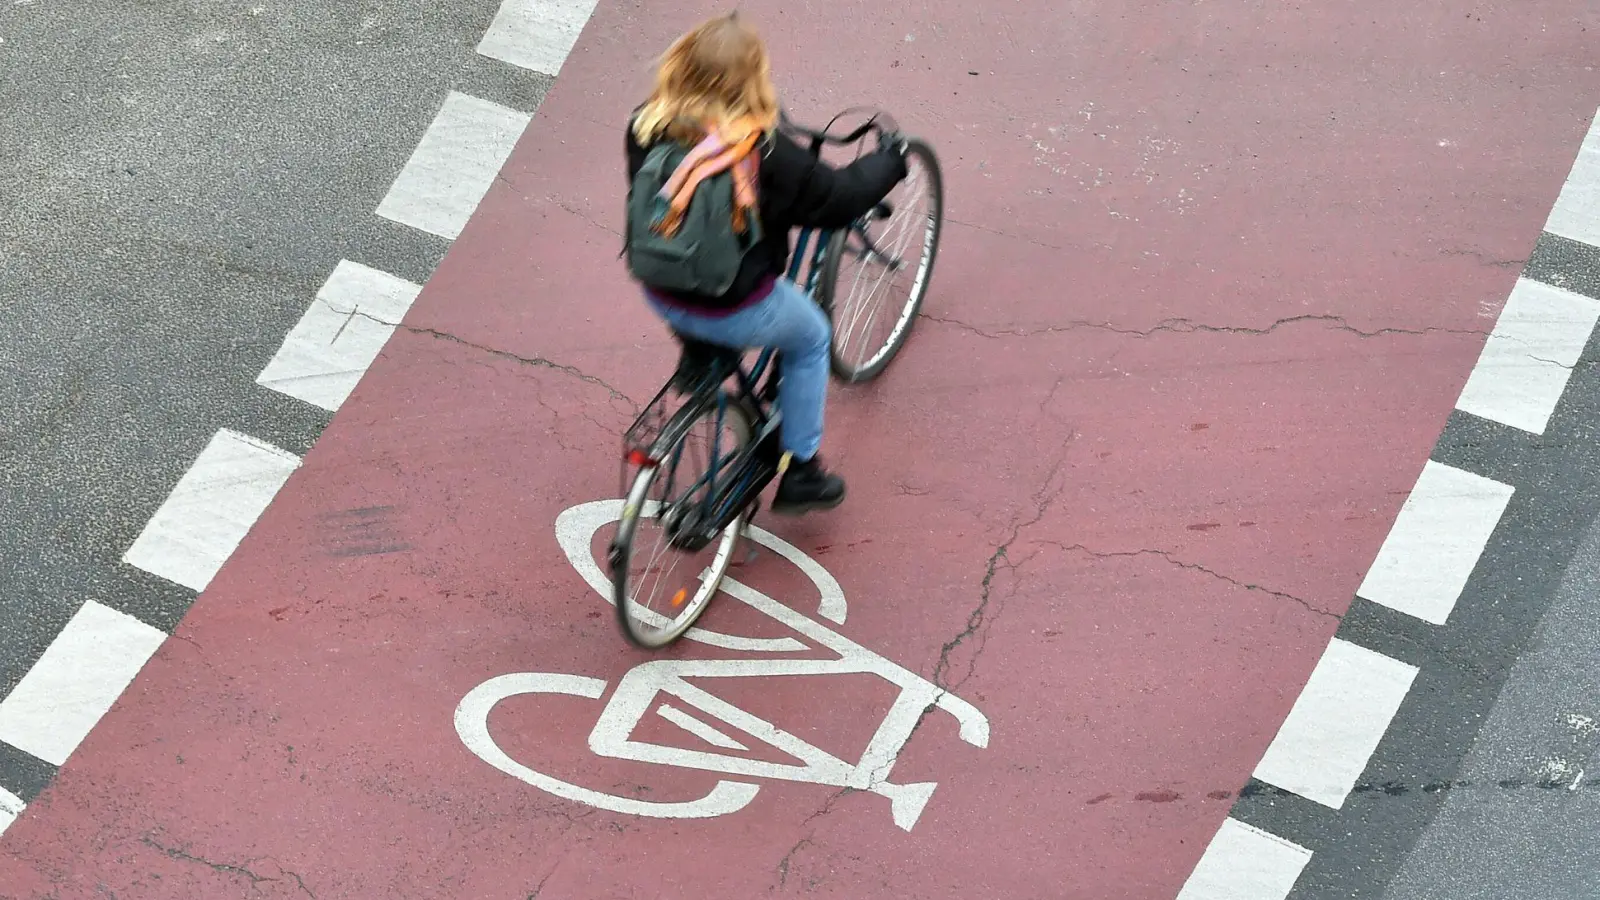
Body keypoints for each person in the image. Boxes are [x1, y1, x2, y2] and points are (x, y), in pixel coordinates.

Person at [624, 12, 908, 515]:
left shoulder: (647, 124)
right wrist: (889, 160)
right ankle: (802, 472)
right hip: (733, 306)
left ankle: (699, 353)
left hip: (660, 290)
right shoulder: (765, 152)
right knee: (812, 336)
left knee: (706, 304)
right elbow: (839, 198)